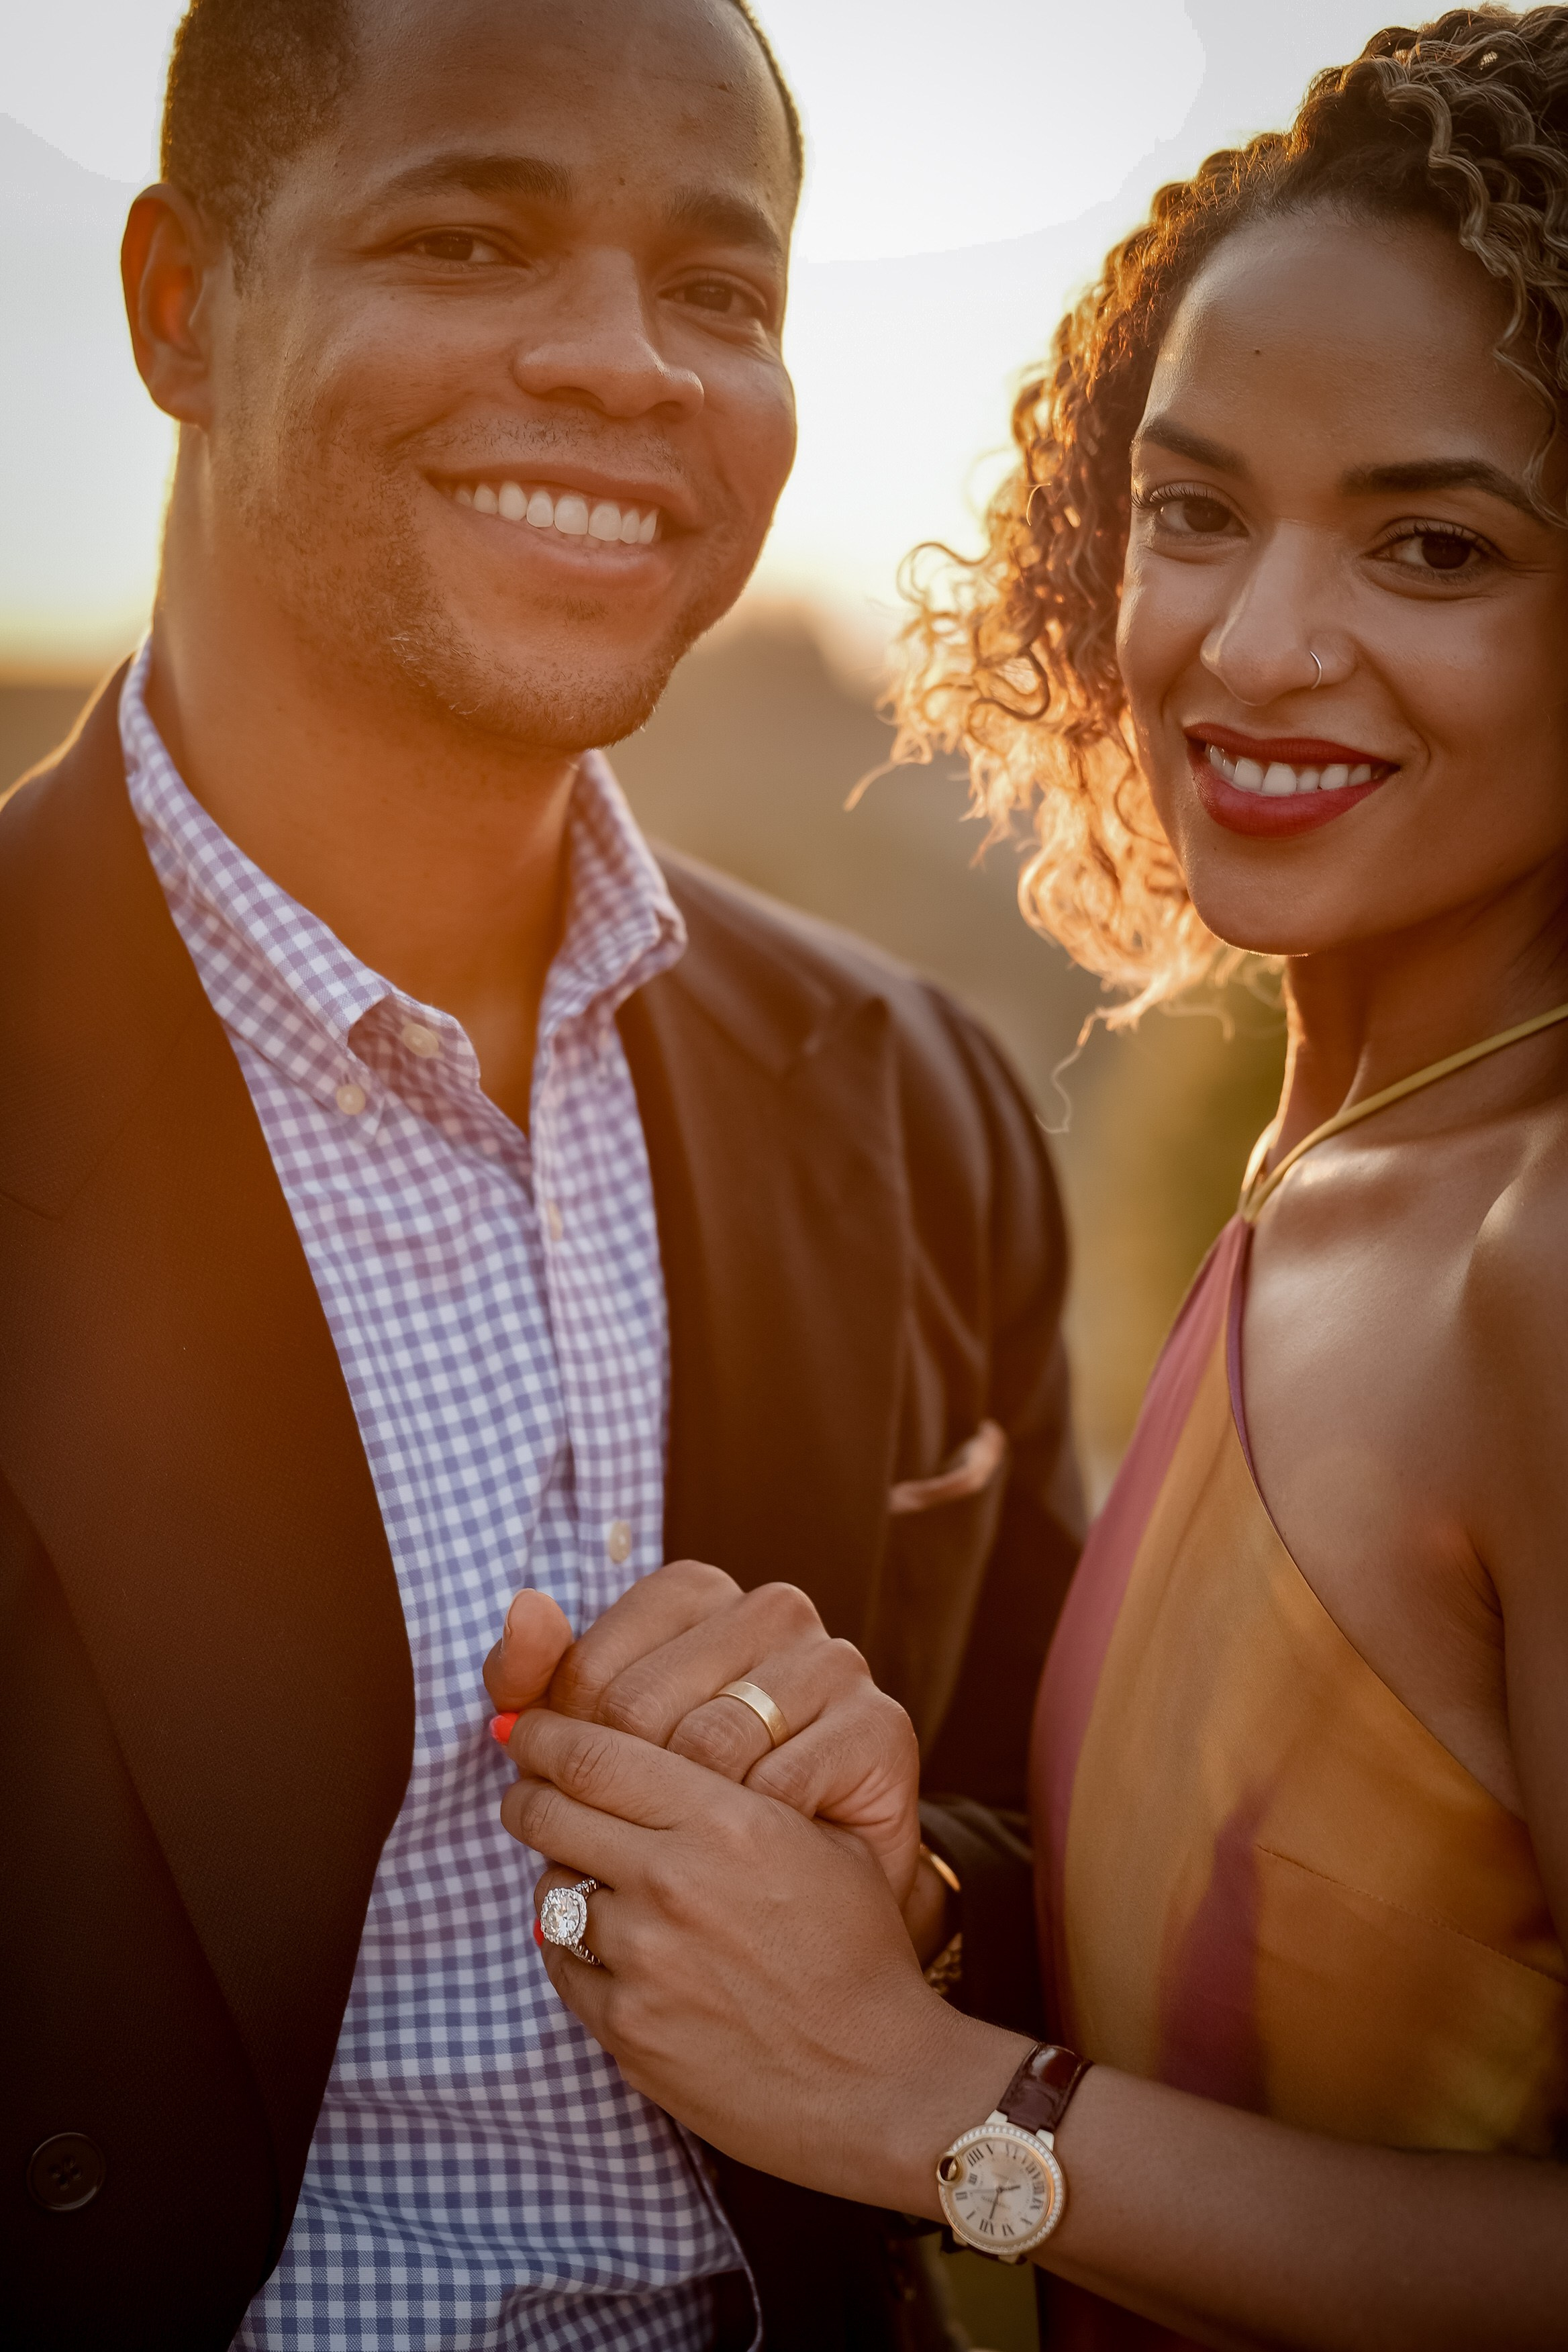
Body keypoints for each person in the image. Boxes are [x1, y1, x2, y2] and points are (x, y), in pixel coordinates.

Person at [0, 3, 1083, 2347]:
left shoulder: (918, 1096)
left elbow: (1046, 1824)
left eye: (722, 290)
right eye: (474, 235)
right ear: (181, 306)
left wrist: (903, 1889)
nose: (625, 368)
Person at [495, 11, 1568, 2347]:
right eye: (1194, 510)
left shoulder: (1542, 1254)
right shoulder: (1354, 1152)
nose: (1252, 641)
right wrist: (907, 1900)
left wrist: (924, 2106)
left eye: (1436, 540)